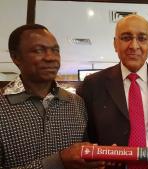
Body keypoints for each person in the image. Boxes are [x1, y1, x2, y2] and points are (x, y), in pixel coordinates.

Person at [77, 14, 148, 168]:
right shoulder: (93, 84)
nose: (134, 46)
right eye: (126, 38)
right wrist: (97, 153)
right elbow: (85, 134)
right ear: (115, 44)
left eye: (142, 38)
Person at [0, 24, 103, 169]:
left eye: (55, 50)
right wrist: (58, 162)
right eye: (38, 50)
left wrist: (102, 157)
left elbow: (84, 157)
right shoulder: (3, 106)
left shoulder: (76, 103)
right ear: (15, 57)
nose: (50, 57)